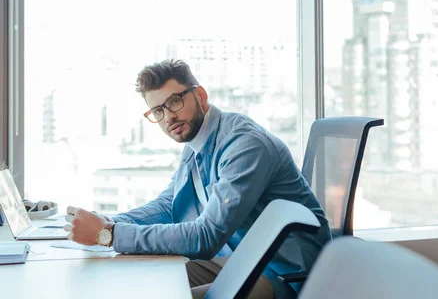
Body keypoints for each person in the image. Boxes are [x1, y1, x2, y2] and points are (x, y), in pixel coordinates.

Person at [63, 59, 331, 299]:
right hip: (239, 259)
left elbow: (206, 236)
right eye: (158, 111)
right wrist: (110, 222)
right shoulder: (197, 141)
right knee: (133, 279)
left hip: (282, 271)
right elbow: (169, 205)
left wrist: (108, 235)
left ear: (200, 96)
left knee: (160, 294)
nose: (169, 117)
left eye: (175, 102)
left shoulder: (244, 145)